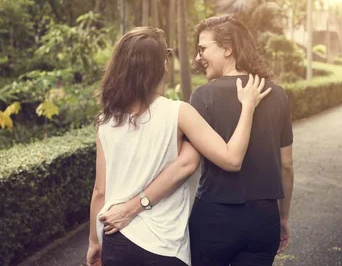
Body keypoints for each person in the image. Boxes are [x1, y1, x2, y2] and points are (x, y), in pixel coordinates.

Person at [100, 15, 295, 266]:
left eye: (203, 49)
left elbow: (185, 163)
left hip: (214, 216)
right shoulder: (276, 94)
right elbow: (287, 165)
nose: (197, 58)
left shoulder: (204, 96)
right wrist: (283, 218)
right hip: (263, 216)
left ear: (228, 48)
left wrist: (134, 205)